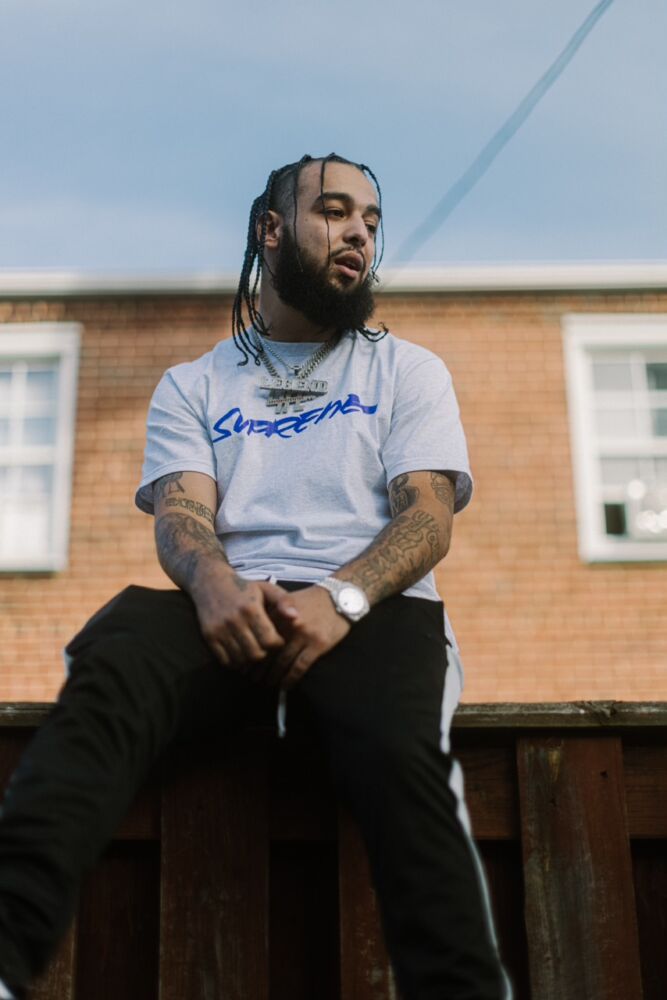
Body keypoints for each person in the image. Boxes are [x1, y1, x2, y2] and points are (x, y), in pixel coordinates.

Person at [0, 152, 513, 999]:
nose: (359, 234)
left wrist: (339, 598)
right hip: (235, 606)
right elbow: (182, 517)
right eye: (335, 212)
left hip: (371, 607)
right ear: (270, 230)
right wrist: (216, 591)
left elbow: (427, 518)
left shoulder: (406, 370)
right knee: (120, 644)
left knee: (402, 760)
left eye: (371, 221)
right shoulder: (193, 384)